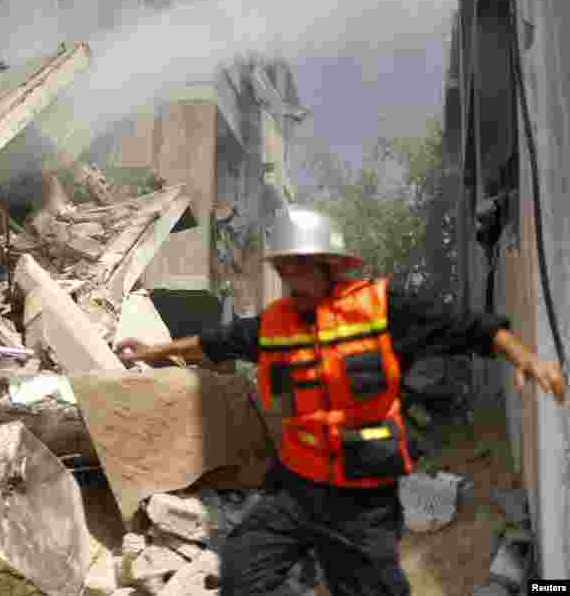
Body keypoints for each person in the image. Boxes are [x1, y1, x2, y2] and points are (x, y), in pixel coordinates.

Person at [115, 206, 565, 596]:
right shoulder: (276, 324)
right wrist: (154, 351)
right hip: (296, 488)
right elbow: (214, 343)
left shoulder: (382, 308)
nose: (291, 278)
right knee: (243, 570)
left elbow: (469, 326)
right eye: (284, 269)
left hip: (362, 501)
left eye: (301, 267)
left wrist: (526, 358)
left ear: (330, 265)